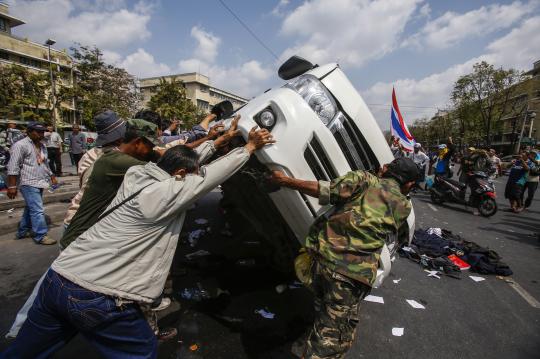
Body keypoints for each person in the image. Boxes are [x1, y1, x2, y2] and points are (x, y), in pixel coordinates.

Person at [1, 122, 275, 359]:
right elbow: (206, 179)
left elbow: (182, 163)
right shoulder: (163, 194)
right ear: (179, 176)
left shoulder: (138, 175)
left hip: (58, 279)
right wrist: (248, 148)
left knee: (26, 351)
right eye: (187, 179)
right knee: (141, 350)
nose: (189, 185)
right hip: (97, 295)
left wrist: (218, 142)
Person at [270, 157, 419, 359]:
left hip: (321, 262)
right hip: (351, 277)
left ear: (384, 169)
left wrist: (285, 181)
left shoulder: (363, 179)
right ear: (409, 184)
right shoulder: (403, 206)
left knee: (324, 310)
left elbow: (324, 190)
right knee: (330, 342)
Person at [6, 122, 57, 245]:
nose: (40, 134)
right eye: (37, 131)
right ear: (29, 132)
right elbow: (13, 167)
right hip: (27, 182)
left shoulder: (43, 146)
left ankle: (23, 231)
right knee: (37, 210)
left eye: (42, 131)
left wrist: (52, 175)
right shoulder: (20, 145)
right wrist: (12, 186)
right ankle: (40, 235)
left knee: (31, 208)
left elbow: (45, 163)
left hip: (40, 181)